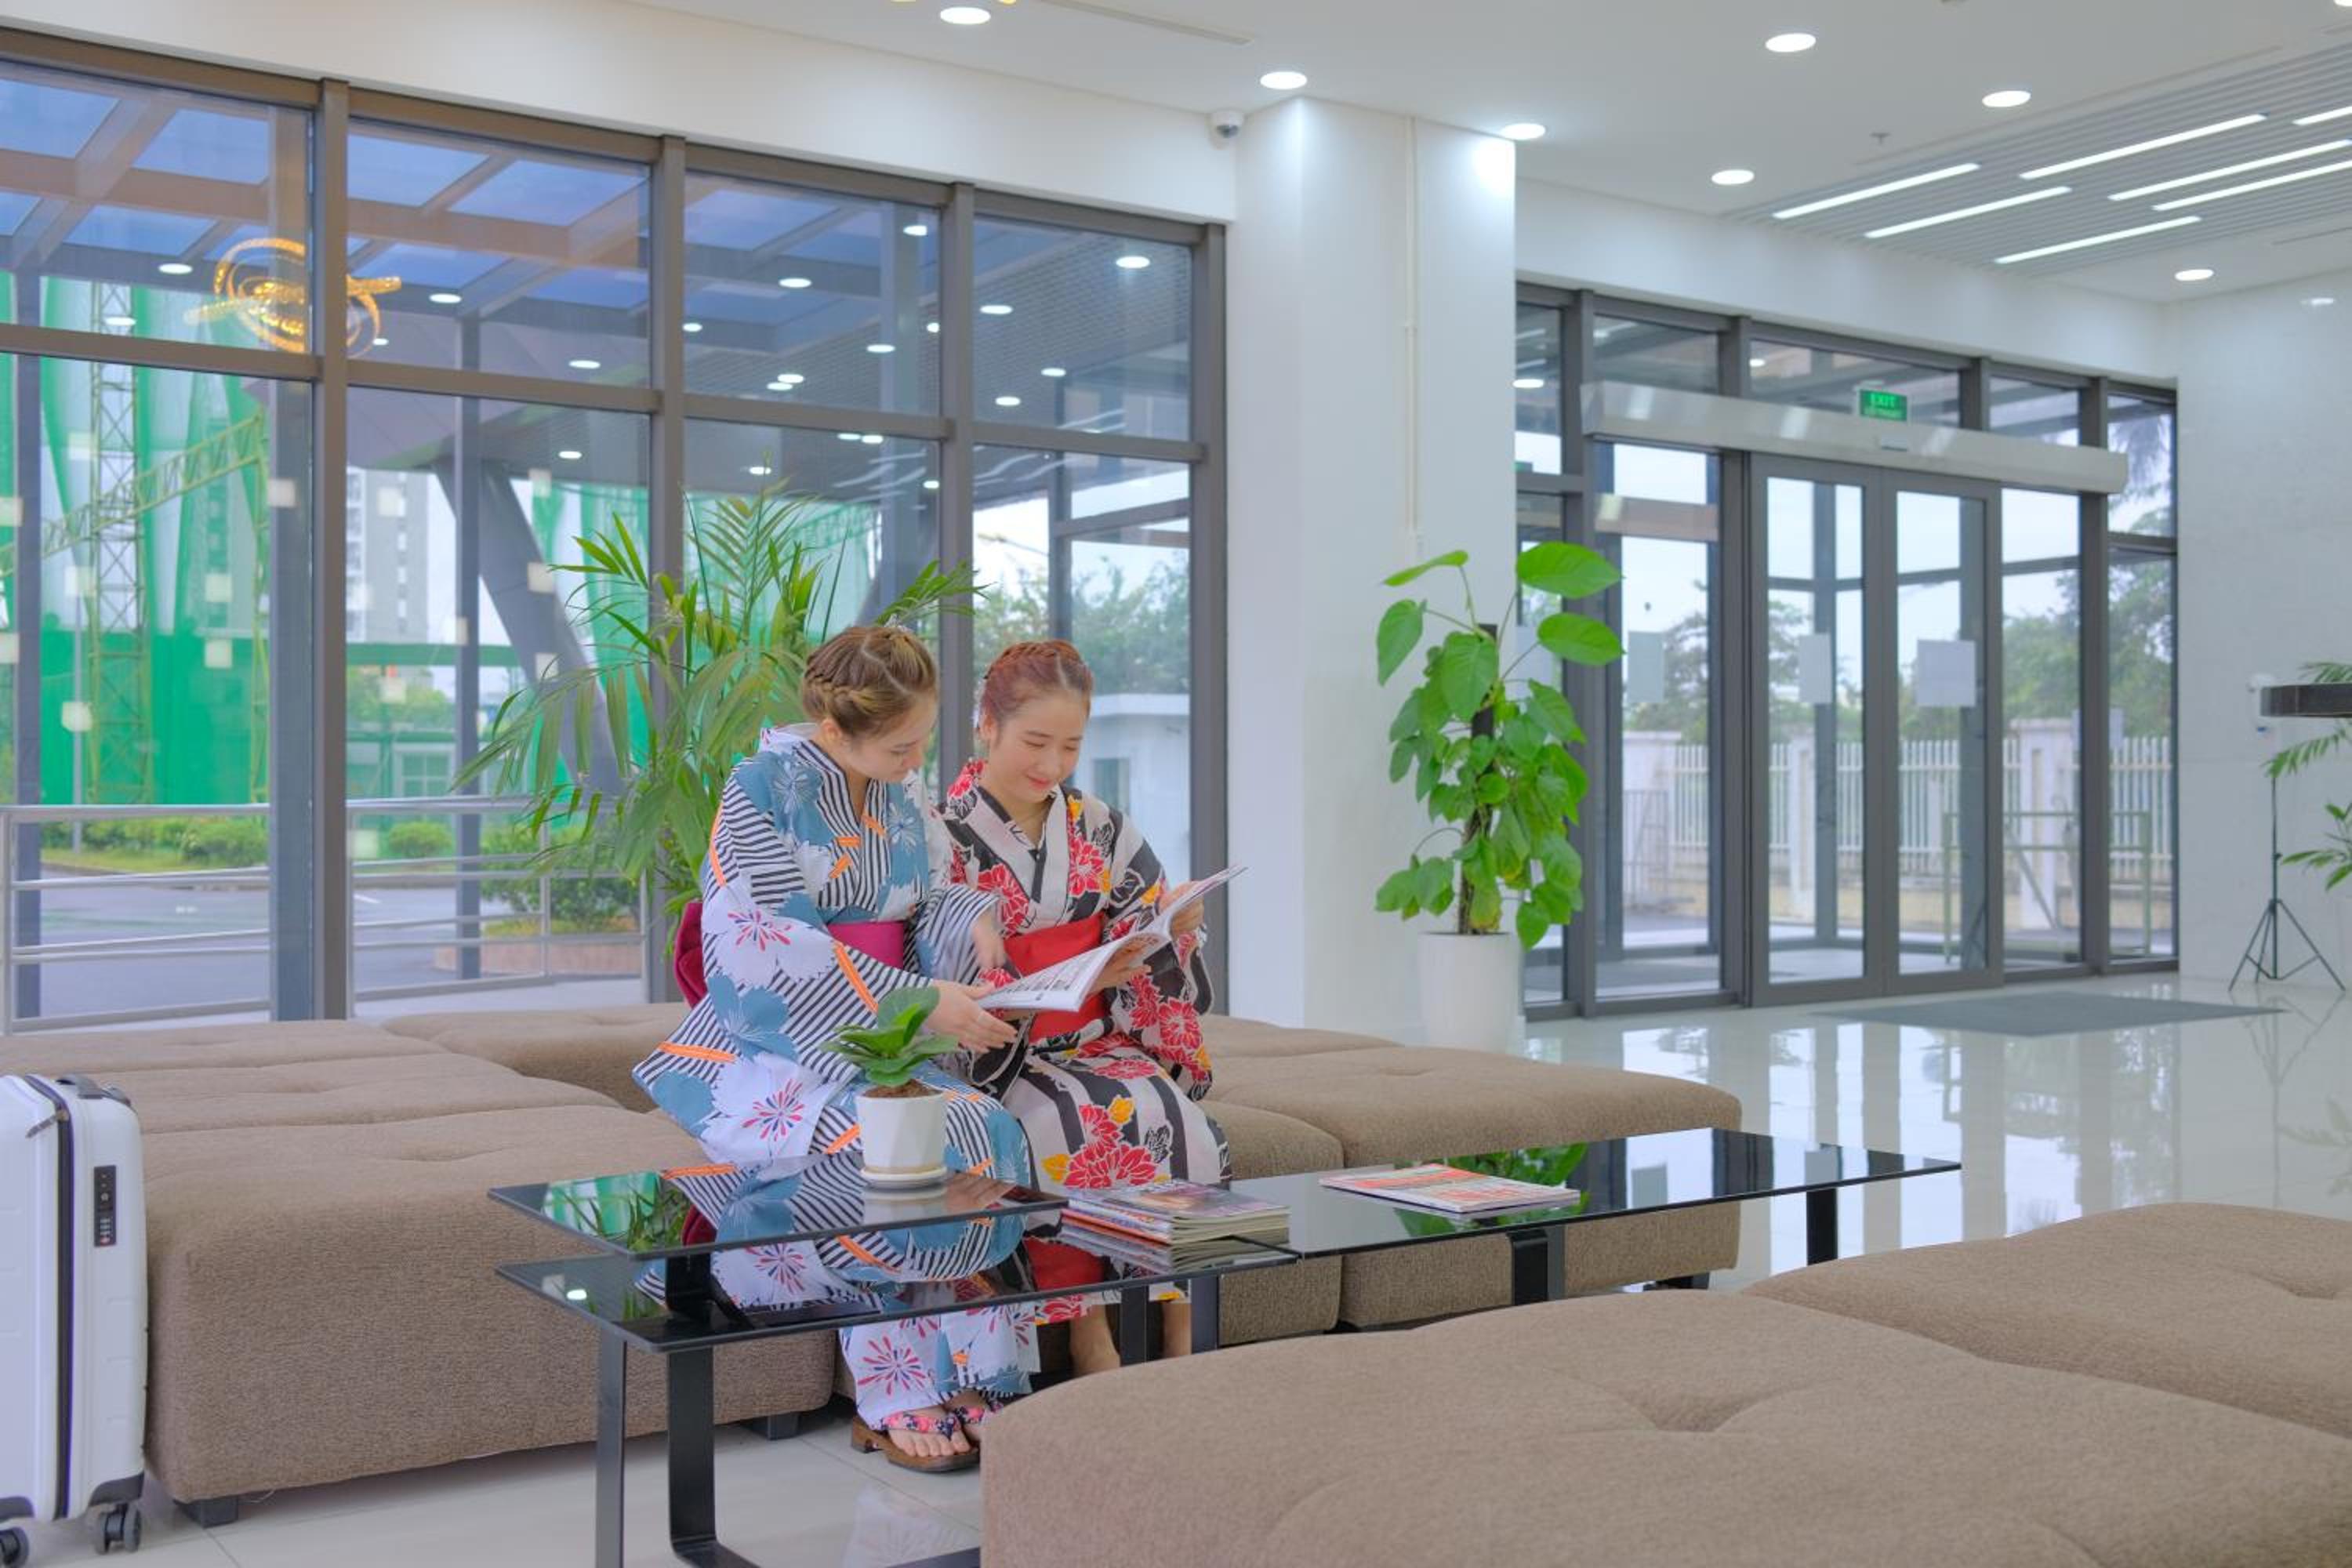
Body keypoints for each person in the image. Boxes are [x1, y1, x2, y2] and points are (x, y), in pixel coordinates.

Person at [632, 623, 1030, 1472]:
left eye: (922, 741)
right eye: (899, 746)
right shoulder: (761, 787)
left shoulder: (899, 786)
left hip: (897, 1039)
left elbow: (933, 898)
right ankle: (894, 1385)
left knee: (980, 1133)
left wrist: (974, 926)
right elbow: (761, 944)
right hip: (790, 1050)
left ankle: (973, 1362)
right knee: (876, 1160)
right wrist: (919, 1001)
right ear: (834, 730)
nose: (915, 760)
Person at [938, 639, 1225, 1375]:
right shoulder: (943, 835)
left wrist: (1170, 928)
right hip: (1004, 1051)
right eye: (1036, 742)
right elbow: (936, 961)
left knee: (1177, 1121)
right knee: (1068, 1123)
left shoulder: (1101, 826)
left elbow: (1142, 924)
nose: (1053, 765)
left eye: (1070, 746)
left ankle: (1184, 1316)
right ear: (987, 725)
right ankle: (1087, 1326)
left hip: (1099, 1034)